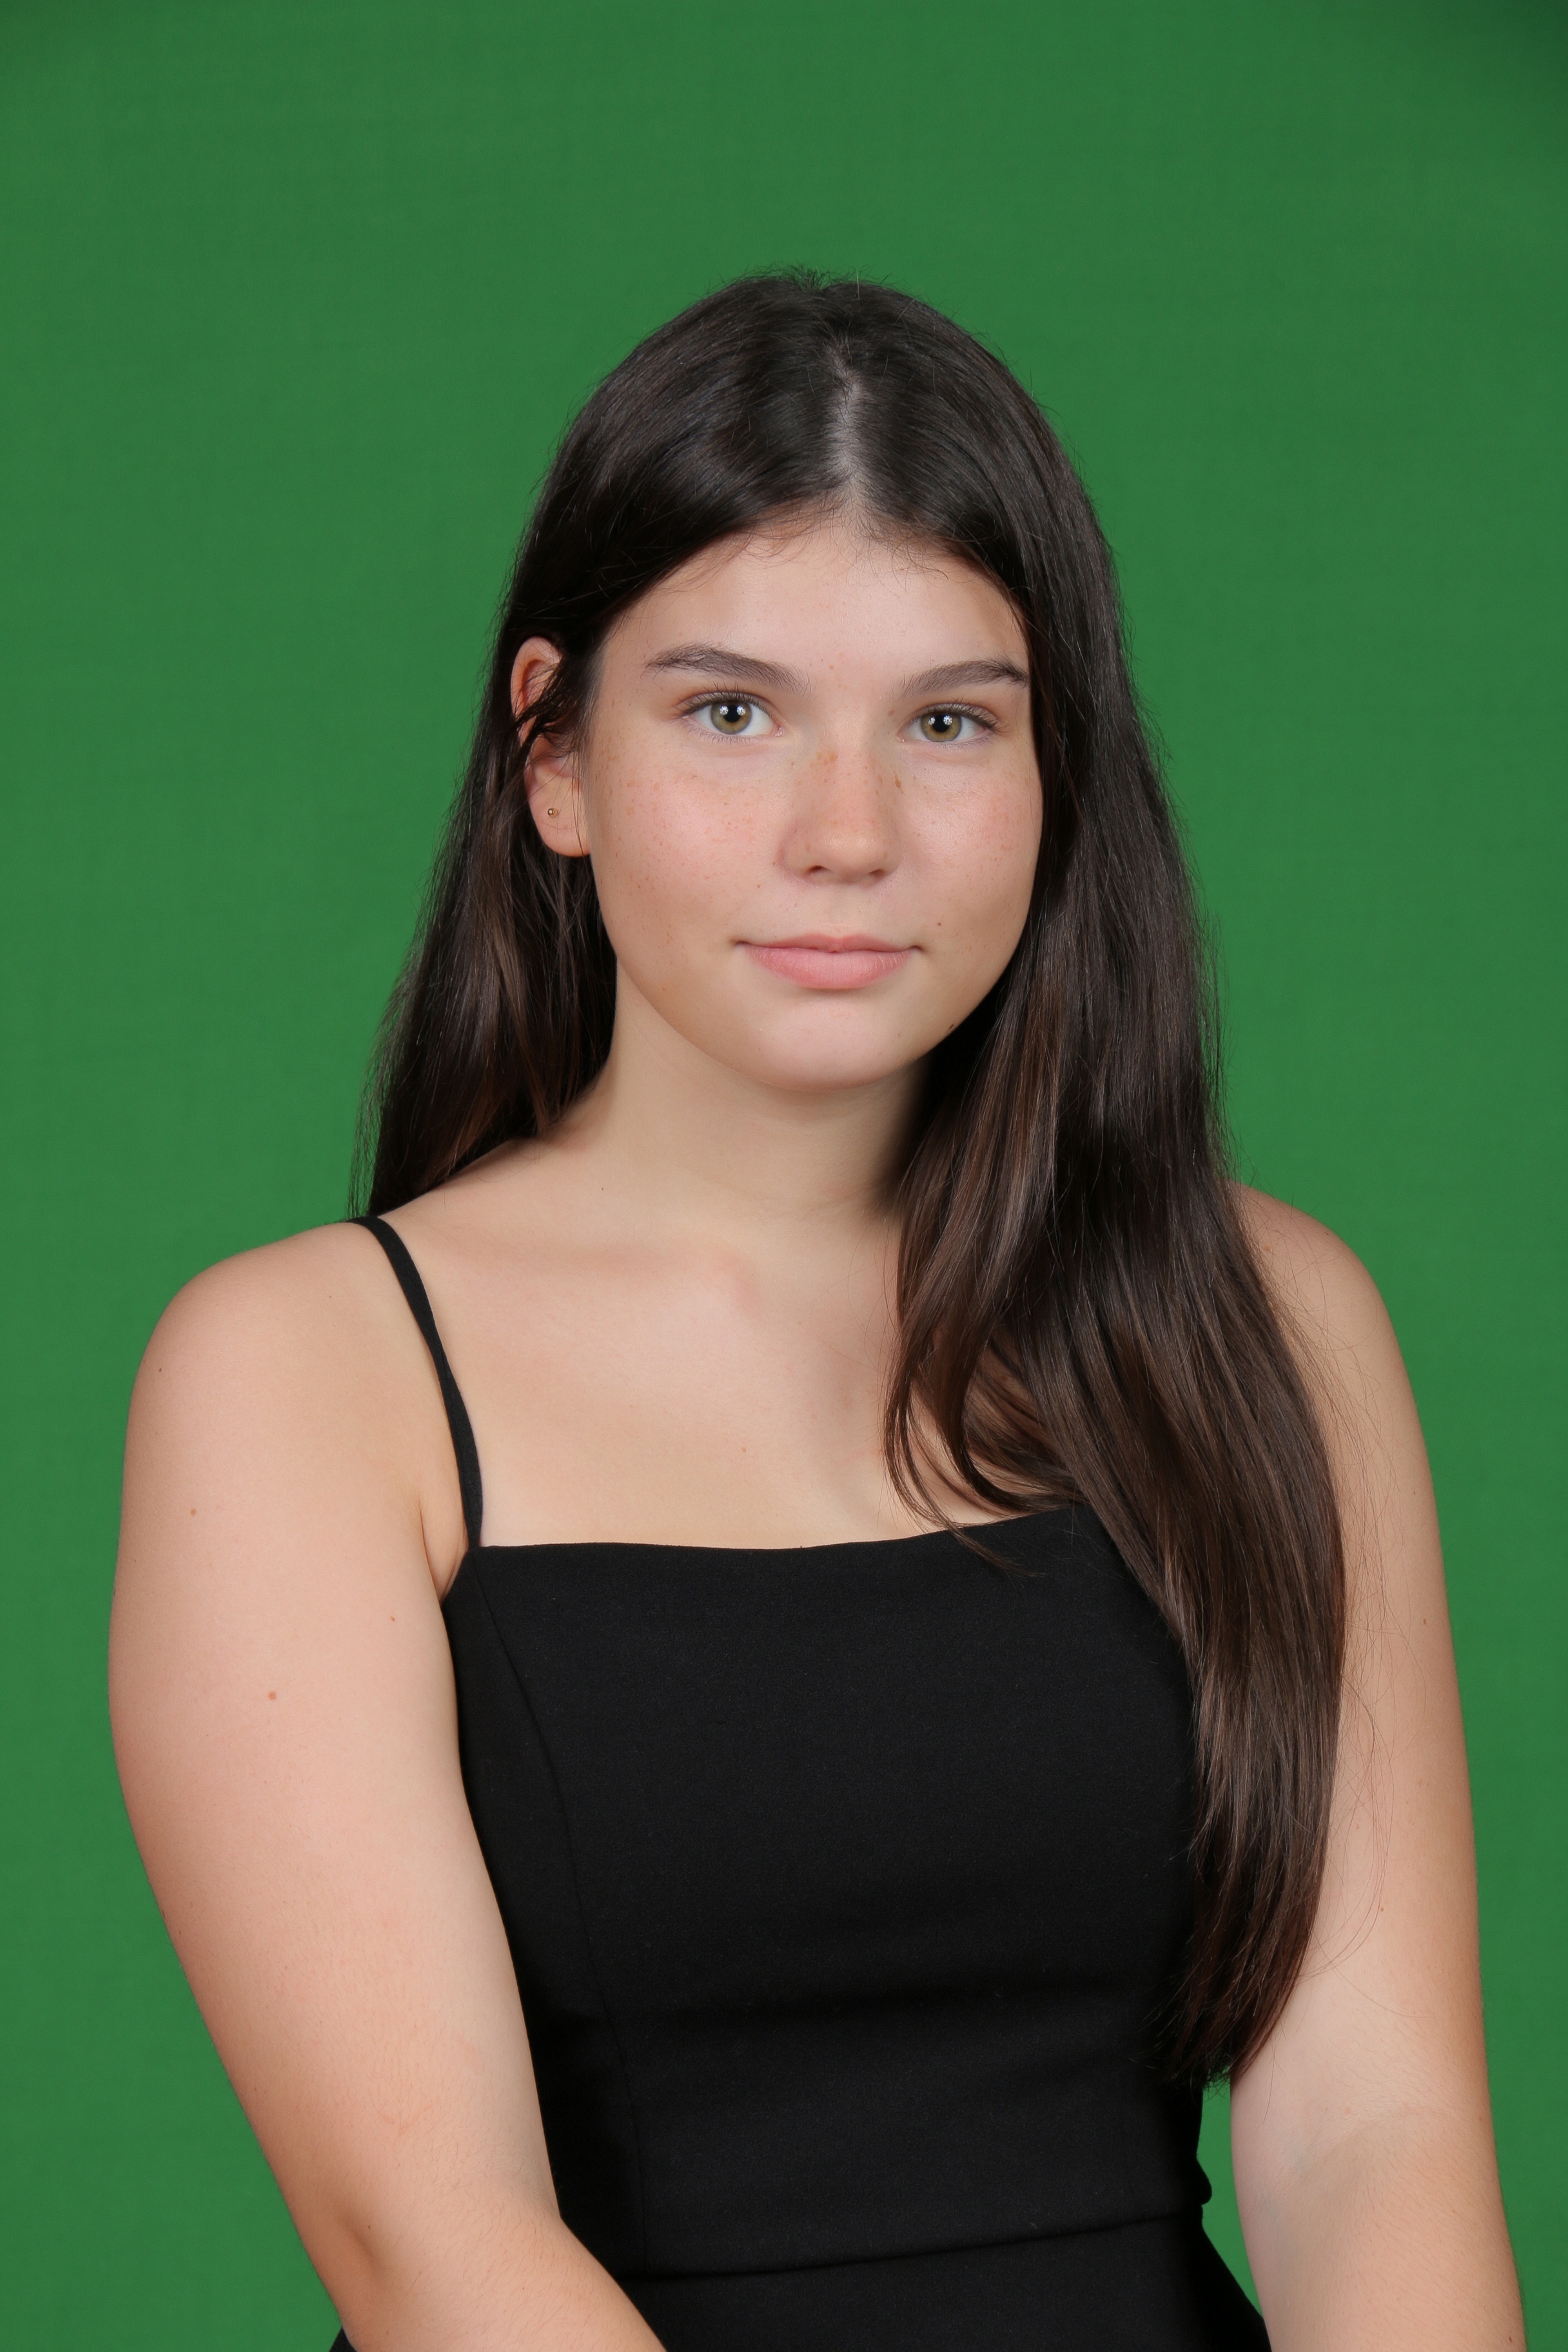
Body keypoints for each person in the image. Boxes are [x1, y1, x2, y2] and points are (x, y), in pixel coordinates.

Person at [108, 275, 1523, 2352]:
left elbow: (1376, 2133)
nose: (847, 837)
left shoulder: (1272, 1321)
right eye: (730, 713)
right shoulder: (309, 1375)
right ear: (552, 757)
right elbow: (435, 2242)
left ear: (1056, 771)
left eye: (949, 723)